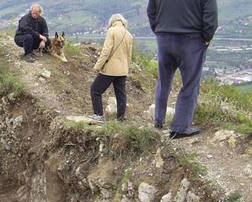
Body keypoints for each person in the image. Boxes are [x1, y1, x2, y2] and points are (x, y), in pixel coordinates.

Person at [147, 0, 218, 138]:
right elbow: (211, 17)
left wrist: (159, 31)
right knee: (190, 84)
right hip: (192, 40)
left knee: (163, 80)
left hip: (164, 38)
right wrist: (206, 38)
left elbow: (151, 11)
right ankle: (179, 128)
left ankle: (158, 120)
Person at [90, 14, 133, 122]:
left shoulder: (112, 31)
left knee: (95, 90)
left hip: (110, 69)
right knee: (121, 94)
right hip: (122, 70)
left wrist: (97, 66)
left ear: (112, 21)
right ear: (123, 22)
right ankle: (120, 119)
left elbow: (106, 51)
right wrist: (126, 68)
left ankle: (99, 115)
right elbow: (129, 56)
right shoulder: (129, 35)